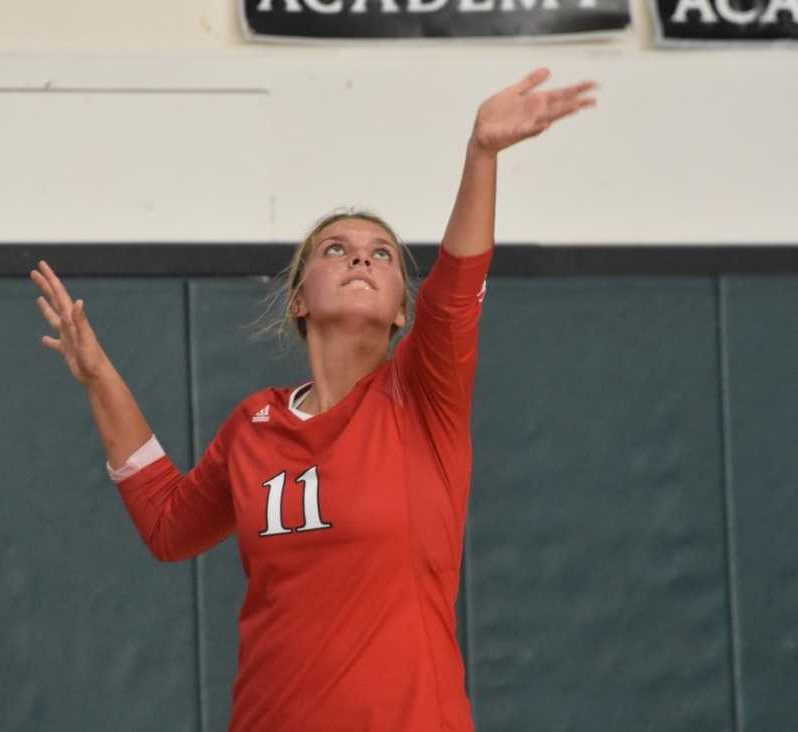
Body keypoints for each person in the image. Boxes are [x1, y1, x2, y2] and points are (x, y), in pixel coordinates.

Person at [30, 66, 597, 732]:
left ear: (401, 310)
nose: (361, 259)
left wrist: (481, 153)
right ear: (299, 298)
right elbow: (166, 523)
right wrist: (99, 375)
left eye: (382, 255)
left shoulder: (422, 396)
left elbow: (455, 289)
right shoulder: (254, 425)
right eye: (336, 249)